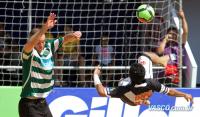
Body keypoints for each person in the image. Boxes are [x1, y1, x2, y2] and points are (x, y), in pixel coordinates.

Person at [18, 13, 82, 117]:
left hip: (42, 102)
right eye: (38, 42)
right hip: (29, 104)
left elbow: (64, 39)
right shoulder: (28, 52)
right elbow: (30, 43)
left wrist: (74, 35)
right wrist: (45, 27)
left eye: (43, 42)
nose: (41, 45)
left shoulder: (49, 46)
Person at [93, 54, 193, 106]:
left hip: (132, 100)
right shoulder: (152, 82)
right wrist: (184, 94)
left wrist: (95, 75)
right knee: (144, 56)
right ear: (144, 73)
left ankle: (141, 100)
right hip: (143, 93)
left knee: (121, 83)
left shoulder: (123, 87)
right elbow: (170, 92)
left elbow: (101, 92)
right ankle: (142, 100)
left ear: (130, 76)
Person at [144, 9, 188, 84]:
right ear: (167, 34)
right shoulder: (163, 43)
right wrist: (165, 40)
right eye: (170, 34)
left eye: (174, 34)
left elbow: (185, 32)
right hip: (163, 75)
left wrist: (183, 18)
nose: (172, 36)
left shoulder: (179, 45)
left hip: (175, 75)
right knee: (148, 55)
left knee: (168, 57)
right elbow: (159, 51)